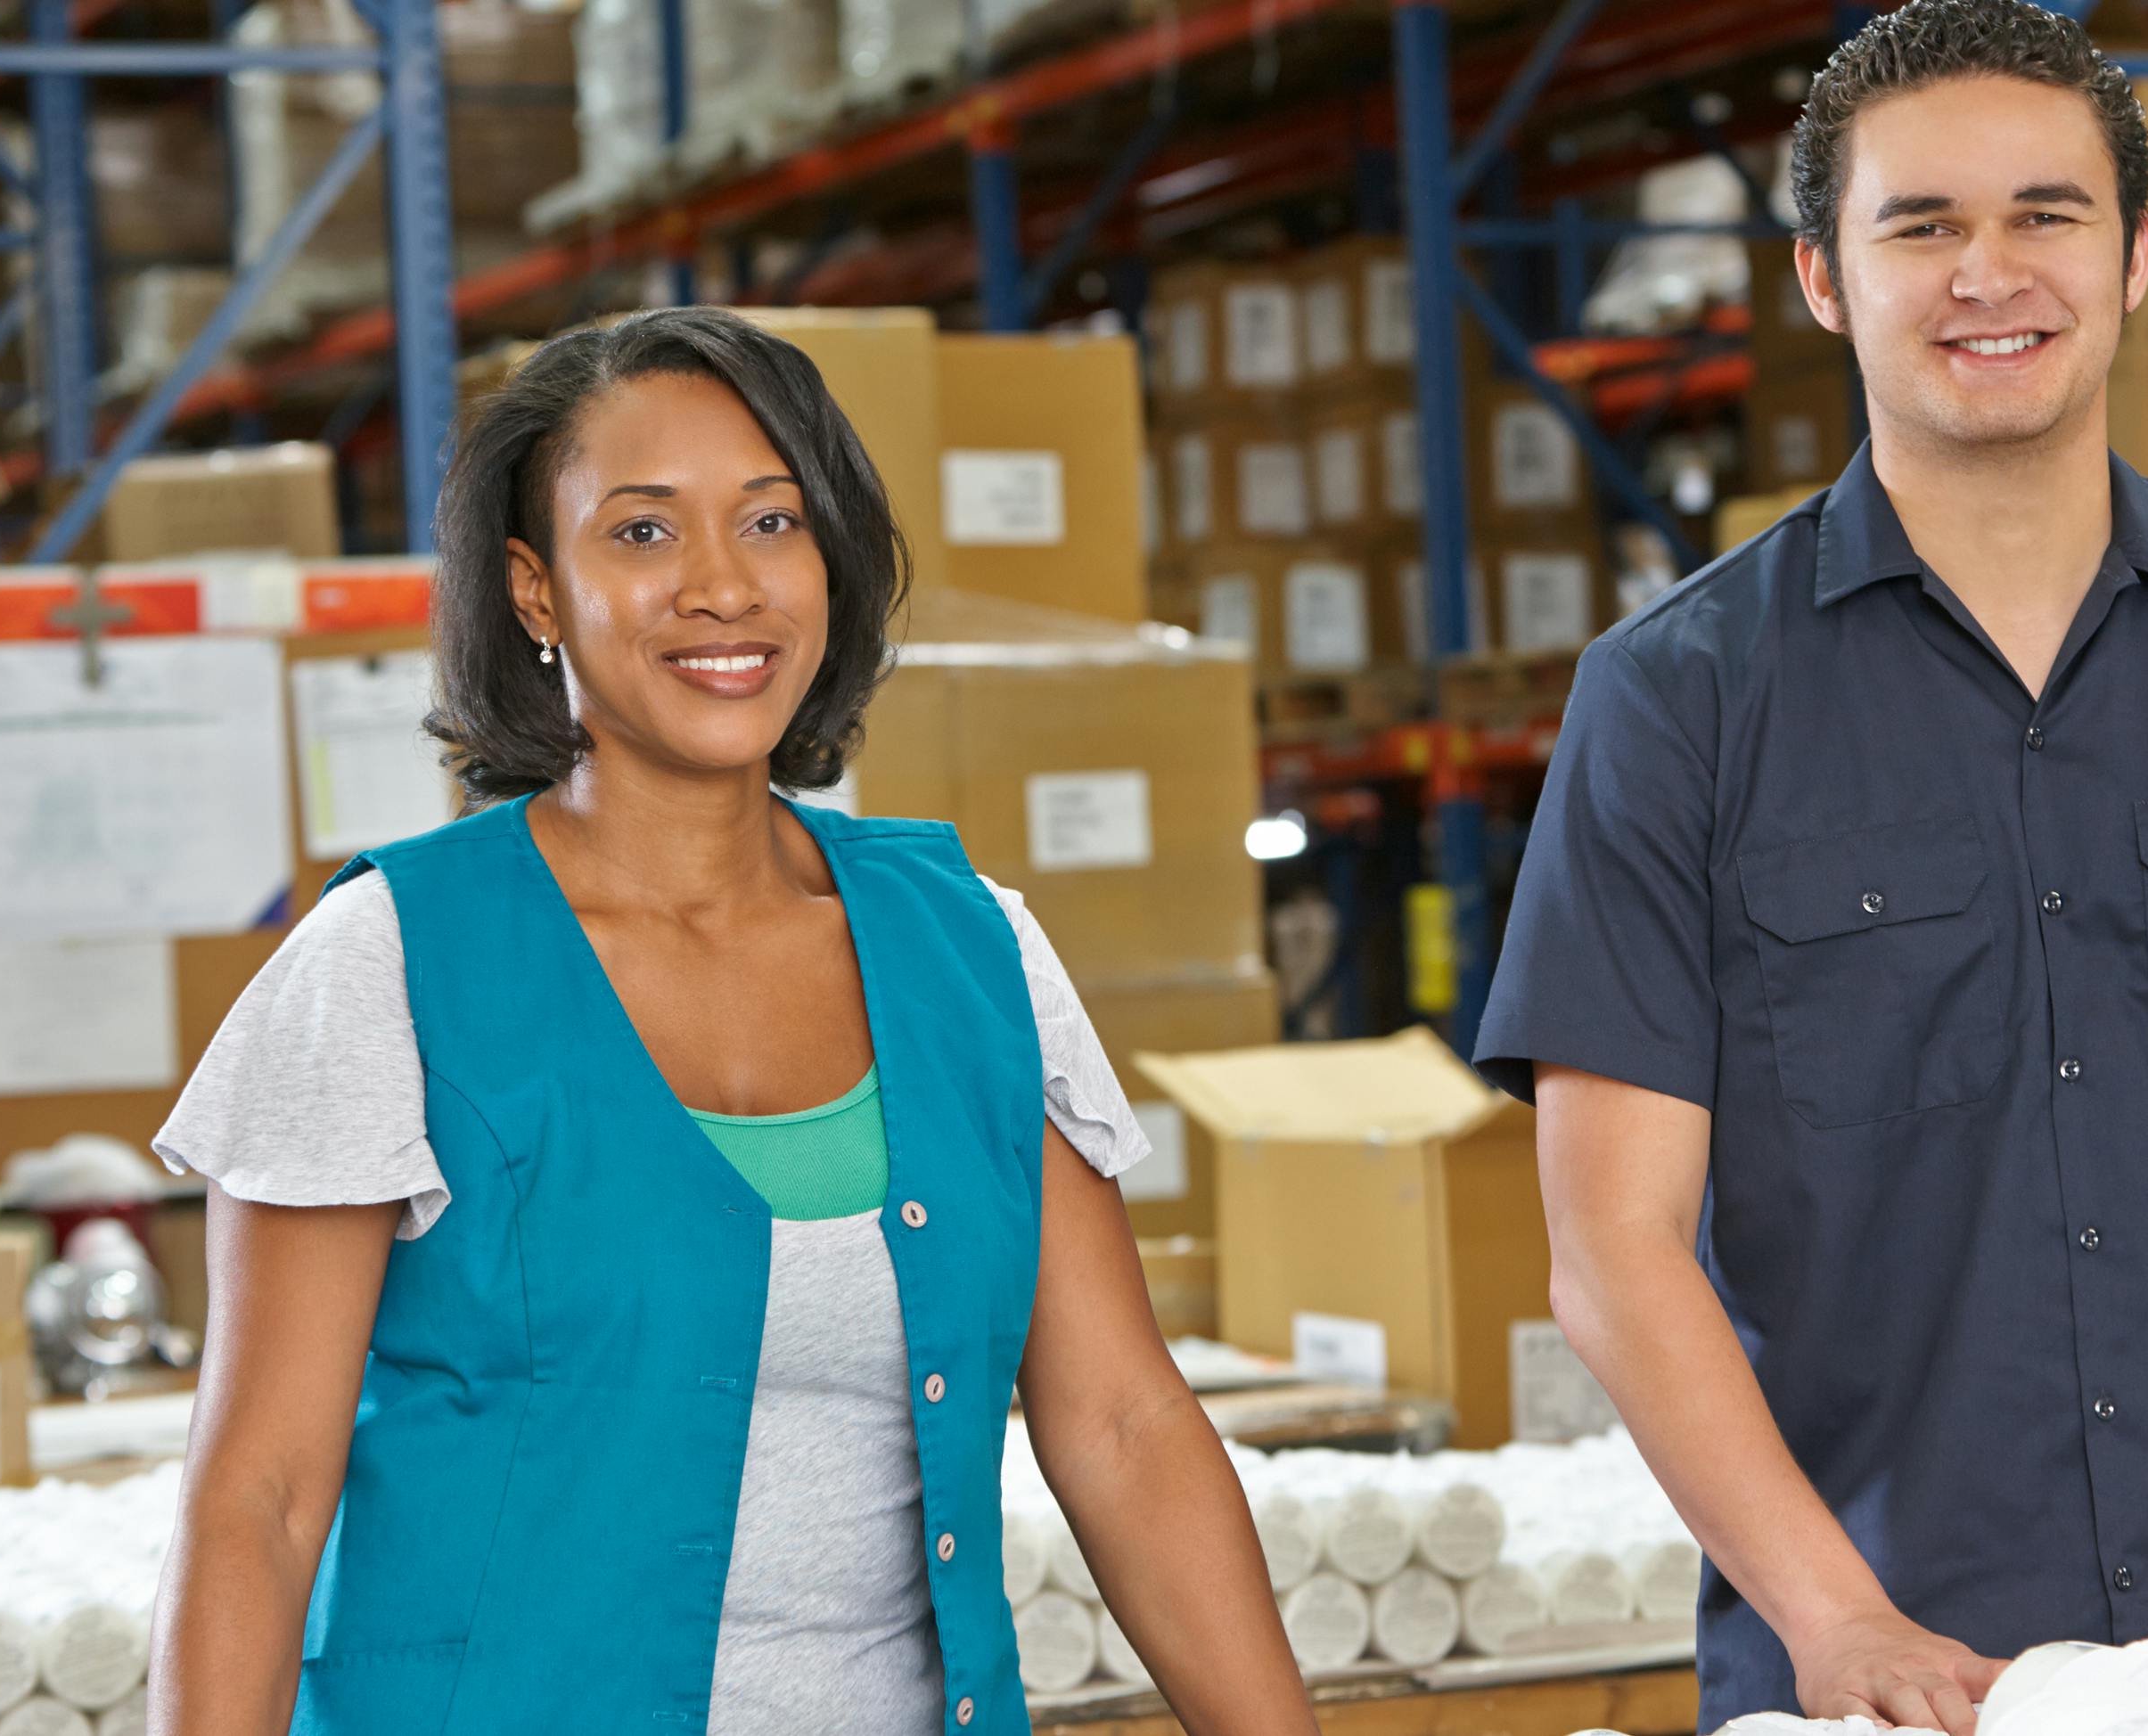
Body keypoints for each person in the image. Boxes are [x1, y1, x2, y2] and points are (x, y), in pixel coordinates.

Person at [1470, 4, 2148, 1732]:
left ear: (2133, 256)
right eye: (1920, 226)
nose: (1987, 274)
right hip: (1880, 1685)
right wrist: (1838, 1620)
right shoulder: (1677, 698)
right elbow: (1613, 1243)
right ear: (1823, 279)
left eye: (2044, 216)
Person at [144, 307, 1317, 1736]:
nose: (721, 587)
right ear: (533, 590)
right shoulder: (390, 963)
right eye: (643, 533)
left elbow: (1125, 1427)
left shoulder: (973, 950)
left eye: (772, 522)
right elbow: (258, 1504)